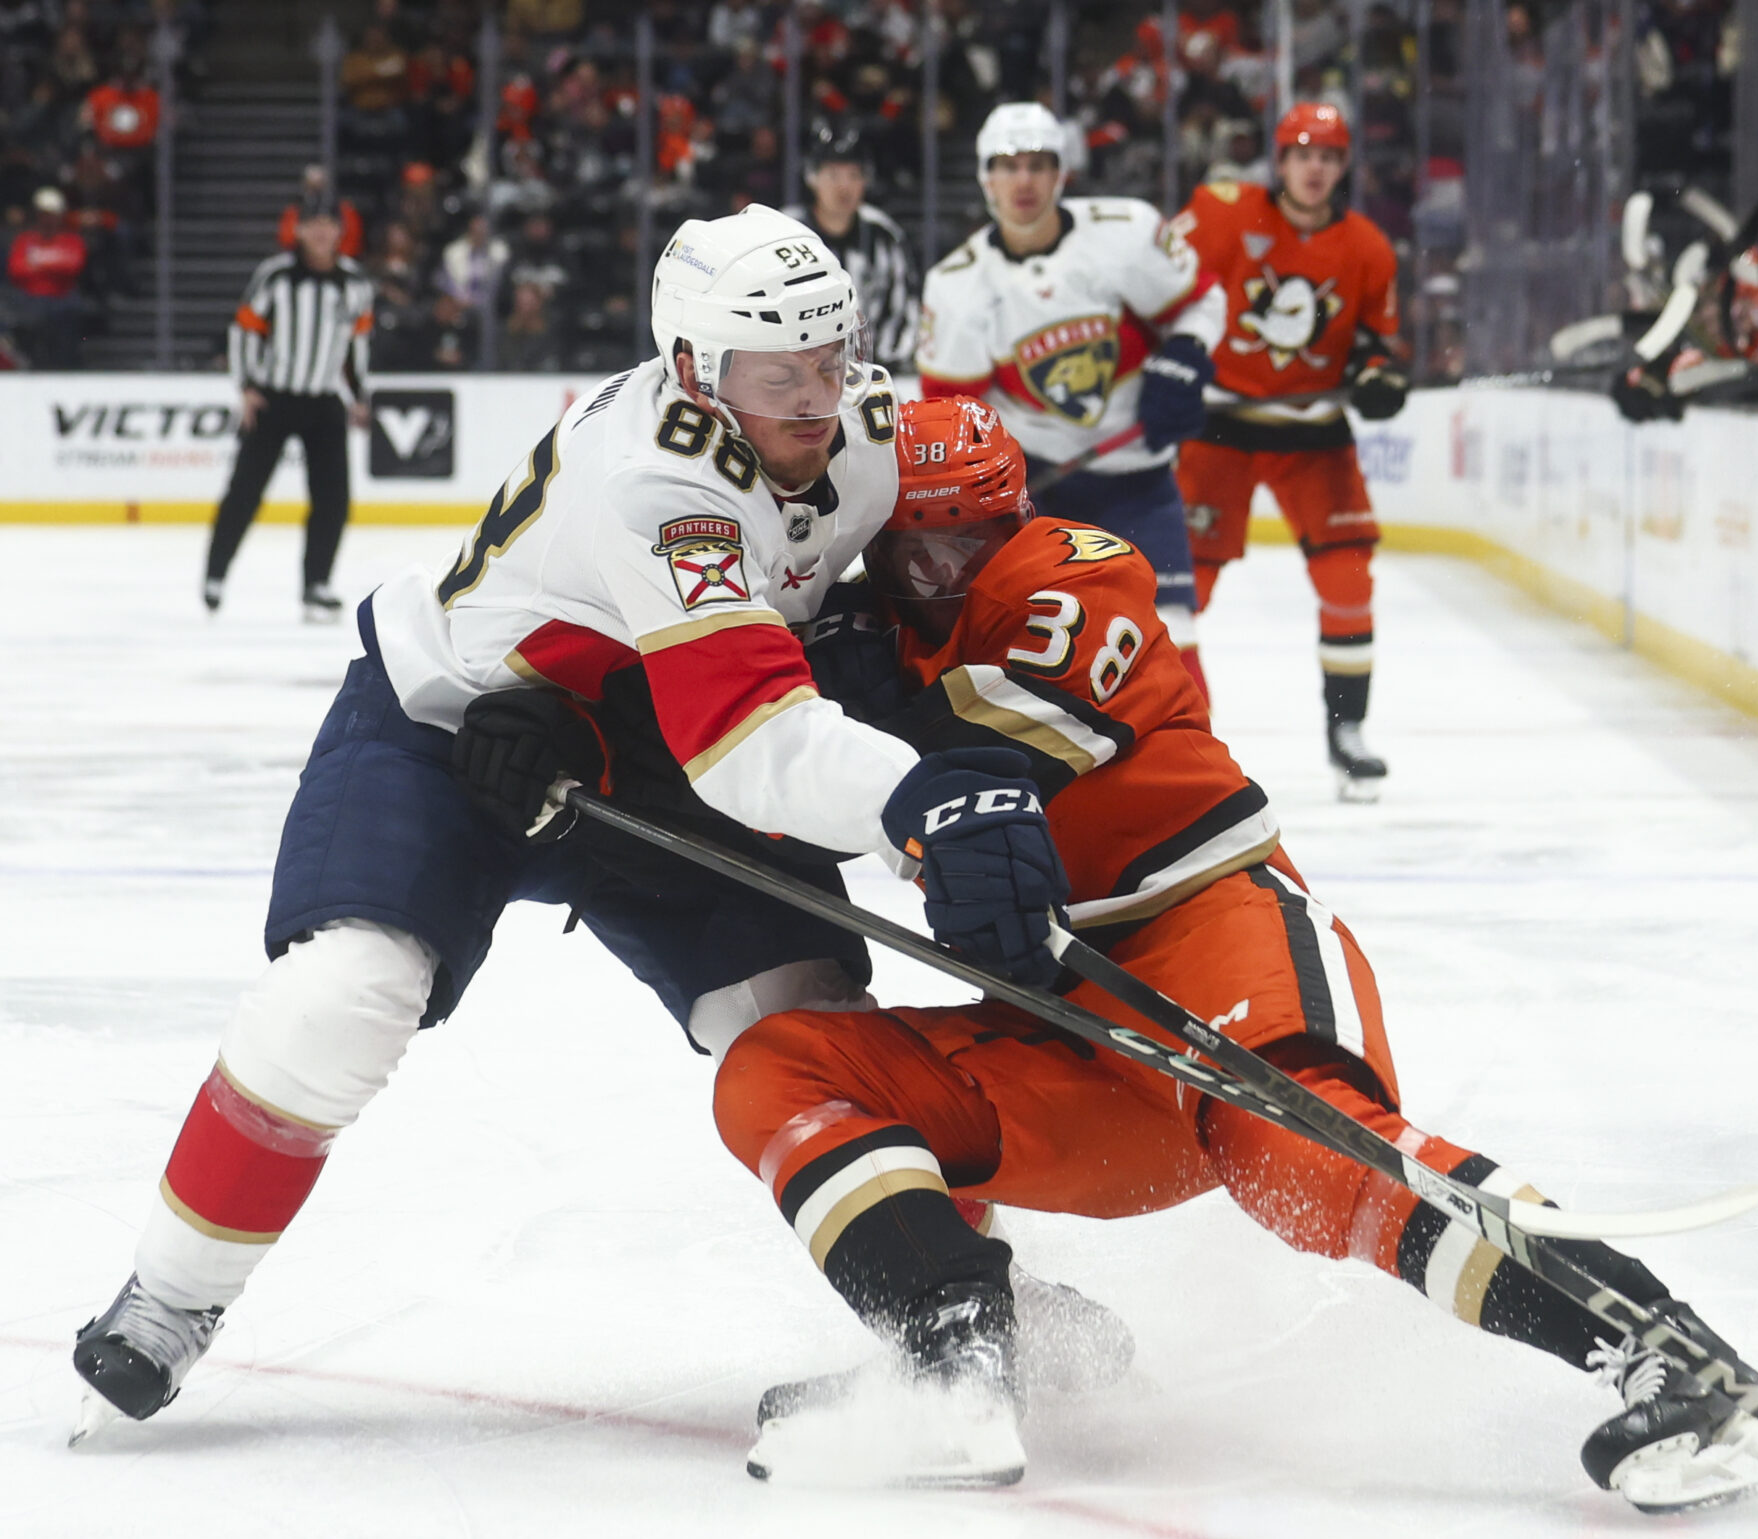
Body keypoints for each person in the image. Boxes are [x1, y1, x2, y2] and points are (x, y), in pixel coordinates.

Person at [709, 396, 1758, 1512]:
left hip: (1205, 929)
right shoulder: (870, 622)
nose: (940, 572)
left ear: (1014, 518)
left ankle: (1668, 1351)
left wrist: (839, 695)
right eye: (913, 551)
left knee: (1309, 1158)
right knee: (778, 1067)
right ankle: (964, 1353)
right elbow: (755, 769)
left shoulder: (1076, 572)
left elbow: (981, 760)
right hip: (1063, 1022)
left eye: (966, 543)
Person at [66, 206, 1073, 1437]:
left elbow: (890, 605)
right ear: (695, 372)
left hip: (646, 757)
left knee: (807, 1031)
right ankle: (170, 1298)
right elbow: (753, 741)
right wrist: (921, 804)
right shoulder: (659, 477)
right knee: (339, 999)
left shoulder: (865, 435)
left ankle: (960, 1308)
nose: (813, 401)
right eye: (777, 373)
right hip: (455, 735)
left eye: (831, 357)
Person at [916, 101, 1226, 696]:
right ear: (985, 178)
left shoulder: (1125, 232)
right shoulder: (957, 284)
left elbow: (1202, 300)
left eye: (1038, 163)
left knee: (1173, 637)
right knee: (1041, 648)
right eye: (1007, 166)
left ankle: (1192, 780)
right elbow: (953, 416)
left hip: (1140, 483)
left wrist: (1183, 356)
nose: (1023, 180)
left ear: (1062, 173)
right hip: (1039, 496)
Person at [1176, 102, 1408, 799]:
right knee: (1185, 593)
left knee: (1348, 581)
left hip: (1313, 432)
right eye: (1303, 154)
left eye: (1329, 157)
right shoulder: (1225, 214)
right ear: (1279, 161)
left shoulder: (1367, 246)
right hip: (1221, 424)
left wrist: (1377, 376)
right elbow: (1164, 283)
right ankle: (1180, 736)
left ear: (1343, 167)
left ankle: (1348, 732)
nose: (1315, 168)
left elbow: (1374, 340)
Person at [204, 195, 374, 618]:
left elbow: (357, 345)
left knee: (333, 499)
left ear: (340, 230)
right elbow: (244, 330)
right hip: (274, 400)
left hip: (324, 403)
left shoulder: (355, 283)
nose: (320, 231)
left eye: (328, 223)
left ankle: (317, 584)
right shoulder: (276, 276)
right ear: (297, 230)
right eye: (312, 223)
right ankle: (216, 573)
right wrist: (245, 387)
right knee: (245, 491)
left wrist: (358, 397)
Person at [782, 121, 918, 369]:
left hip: (871, 374)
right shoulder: (785, 233)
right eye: (833, 174)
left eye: (854, 175)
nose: (844, 186)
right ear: (812, 178)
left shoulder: (884, 235)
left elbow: (902, 310)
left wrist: (878, 369)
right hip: (793, 374)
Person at [6, 185, 87, 367]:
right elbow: (17, 270)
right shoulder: (25, 240)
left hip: (62, 300)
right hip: (31, 301)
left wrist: (38, 265)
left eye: (52, 213)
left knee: (67, 315)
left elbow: (73, 267)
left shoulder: (71, 240)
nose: (48, 218)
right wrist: (54, 264)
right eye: (44, 213)